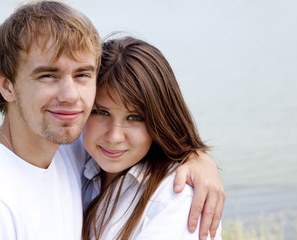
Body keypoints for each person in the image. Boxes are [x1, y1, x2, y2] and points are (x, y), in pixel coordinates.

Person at [0, 1, 224, 239]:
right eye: (48, 75)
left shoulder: (68, 147)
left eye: (82, 75)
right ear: (7, 85)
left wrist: (196, 157)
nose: (70, 95)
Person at [82, 36, 222, 239]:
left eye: (134, 118)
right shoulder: (74, 159)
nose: (114, 136)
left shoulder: (178, 198)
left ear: (160, 120)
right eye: (101, 112)